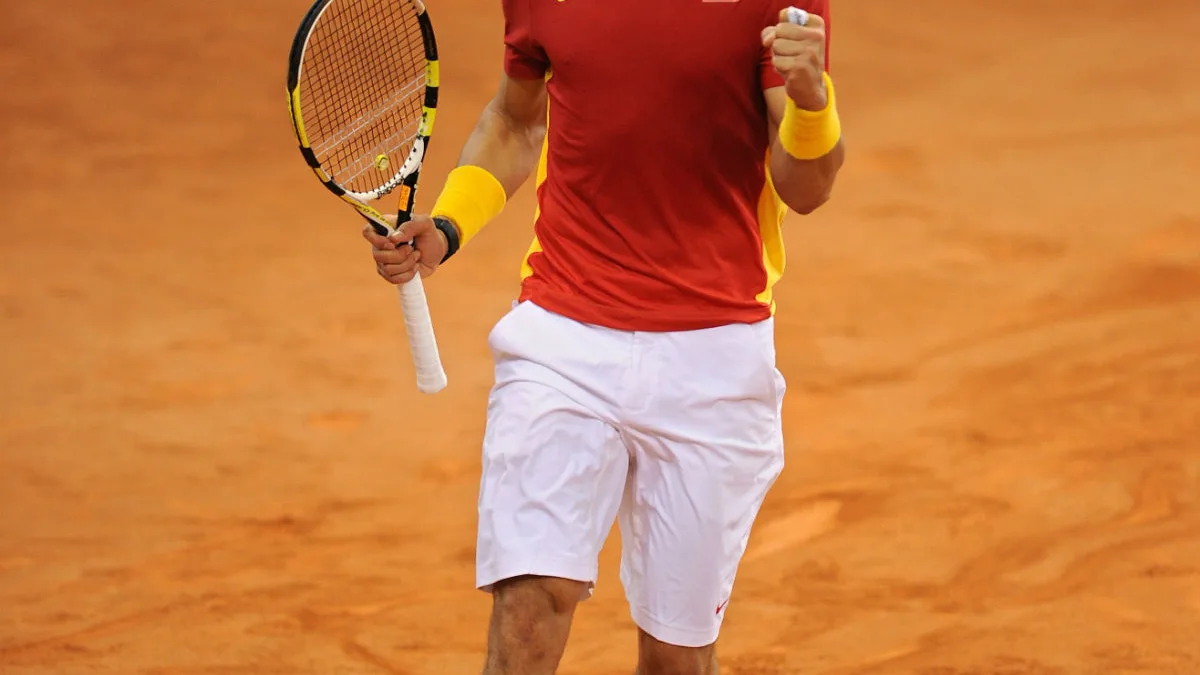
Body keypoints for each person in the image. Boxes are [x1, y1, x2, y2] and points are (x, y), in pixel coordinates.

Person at [363, 1, 844, 672]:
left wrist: (811, 100)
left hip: (713, 350)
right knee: (530, 603)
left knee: (676, 655)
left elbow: (807, 186)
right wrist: (446, 226)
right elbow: (515, 118)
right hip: (564, 333)